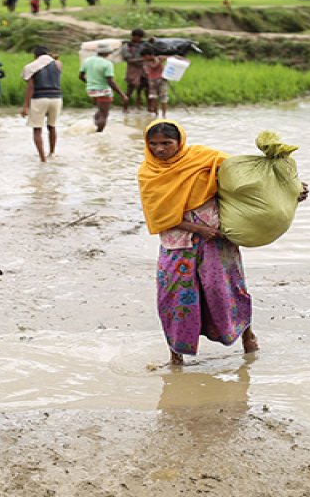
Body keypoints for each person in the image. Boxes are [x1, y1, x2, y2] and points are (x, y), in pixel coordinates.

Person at [135, 120, 250, 366]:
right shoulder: (148, 173)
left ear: (180, 141)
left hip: (217, 240)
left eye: (167, 143)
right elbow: (158, 216)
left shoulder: (206, 159)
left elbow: (245, 180)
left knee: (225, 290)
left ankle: (248, 338)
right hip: (177, 243)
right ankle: (175, 355)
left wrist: (291, 190)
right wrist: (197, 229)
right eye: (153, 144)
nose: (160, 149)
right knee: (174, 296)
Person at [20, 46, 63, 162]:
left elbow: (30, 87)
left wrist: (25, 106)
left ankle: (42, 158)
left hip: (39, 99)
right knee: (52, 126)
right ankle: (52, 153)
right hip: (56, 98)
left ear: (35, 56)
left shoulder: (30, 67)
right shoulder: (58, 64)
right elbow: (55, 63)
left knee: (37, 129)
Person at [78, 41, 128, 132]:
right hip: (103, 91)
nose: (110, 53)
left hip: (91, 91)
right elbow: (110, 81)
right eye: (109, 52)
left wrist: (90, 83)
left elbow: (80, 76)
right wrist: (122, 94)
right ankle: (99, 134)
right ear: (106, 52)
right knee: (104, 114)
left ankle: (95, 127)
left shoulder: (87, 61)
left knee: (100, 111)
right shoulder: (107, 63)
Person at [121, 28, 149, 109]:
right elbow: (129, 60)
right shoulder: (126, 47)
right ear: (133, 36)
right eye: (138, 37)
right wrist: (143, 59)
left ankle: (148, 108)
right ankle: (125, 109)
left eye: (140, 37)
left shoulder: (143, 45)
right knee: (129, 91)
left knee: (147, 90)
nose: (139, 39)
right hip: (133, 71)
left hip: (144, 71)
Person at [144, 52, 170, 117]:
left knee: (163, 97)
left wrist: (163, 58)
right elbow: (153, 66)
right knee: (154, 97)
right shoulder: (146, 62)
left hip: (162, 79)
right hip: (153, 80)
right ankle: (156, 114)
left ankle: (164, 115)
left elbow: (169, 58)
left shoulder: (159, 57)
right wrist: (159, 61)